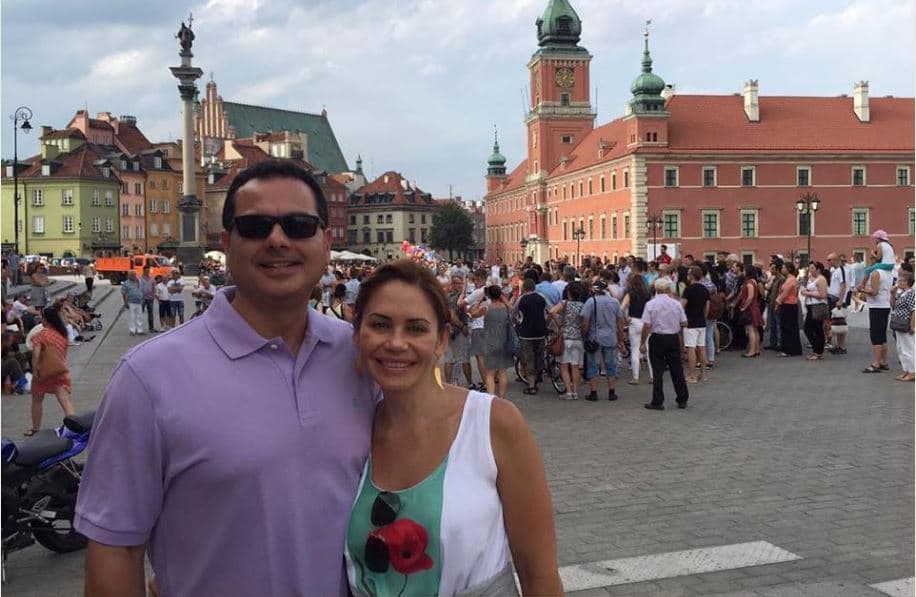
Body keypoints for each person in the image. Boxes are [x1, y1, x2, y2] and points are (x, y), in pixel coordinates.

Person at [76, 160, 380, 597]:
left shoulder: (359, 357)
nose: (278, 240)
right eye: (256, 227)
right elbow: (115, 550)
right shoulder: (147, 378)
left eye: (298, 225)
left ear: (325, 241)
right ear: (226, 242)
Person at [345, 260, 561, 595]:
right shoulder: (351, 434)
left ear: (441, 340)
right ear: (357, 334)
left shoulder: (493, 424)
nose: (396, 343)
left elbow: (540, 577)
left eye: (416, 328)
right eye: (380, 325)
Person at [640, 277, 689, 410]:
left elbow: (646, 325)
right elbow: (684, 322)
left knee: (657, 371)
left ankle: (657, 401)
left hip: (657, 337)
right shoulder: (676, 304)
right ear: (668, 289)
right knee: (677, 369)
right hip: (673, 337)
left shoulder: (650, 304)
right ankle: (682, 398)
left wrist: (642, 342)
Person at [26, 306, 76, 436]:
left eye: (42, 317)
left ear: (47, 320)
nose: (41, 319)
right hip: (60, 371)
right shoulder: (63, 334)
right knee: (64, 400)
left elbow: (36, 355)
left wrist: (35, 371)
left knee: (37, 400)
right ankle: (75, 426)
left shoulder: (40, 335)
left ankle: (36, 429)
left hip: (43, 373)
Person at [580, 279, 625, 402]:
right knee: (611, 365)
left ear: (594, 290)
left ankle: (593, 392)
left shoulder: (591, 302)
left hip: (595, 338)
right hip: (611, 337)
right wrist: (621, 339)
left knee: (593, 365)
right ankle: (611, 392)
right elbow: (620, 322)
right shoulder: (615, 302)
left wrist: (584, 335)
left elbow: (585, 322)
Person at [474, 285, 515, 400]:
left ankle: (491, 397)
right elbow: (512, 308)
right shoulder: (505, 308)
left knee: (490, 373)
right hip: (504, 341)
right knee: (502, 372)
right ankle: (502, 397)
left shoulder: (486, 307)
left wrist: (479, 301)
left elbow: (472, 313)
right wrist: (504, 299)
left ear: (489, 295)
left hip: (489, 342)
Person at [551, 281, 586, 400]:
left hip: (565, 337)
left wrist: (559, 323)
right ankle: (576, 392)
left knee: (564, 366)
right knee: (575, 366)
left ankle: (569, 392)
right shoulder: (582, 305)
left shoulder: (565, 303)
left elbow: (552, 311)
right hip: (578, 338)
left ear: (569, 293)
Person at [859, 250, 893, 373]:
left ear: (876, 260)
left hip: (877, 306)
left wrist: (862, 289)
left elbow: (874, 292)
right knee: (882, 335)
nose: (870, 260)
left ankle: (876, 363)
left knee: (876, 336)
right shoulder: (888, 272)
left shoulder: (875, 273)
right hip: (885, 305)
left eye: (871, 258)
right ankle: (884, 361)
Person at [514, 278, 548, 395]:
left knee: (528, 359)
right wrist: (545, 324)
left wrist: (517, 323)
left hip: (526, 334)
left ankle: (531, 385)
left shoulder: (521, 299)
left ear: (524, 288)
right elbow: (549, 310)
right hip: (540, 332)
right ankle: (539, 375)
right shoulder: (541, 298)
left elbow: (515, 313)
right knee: (539, 356)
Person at [620, 272, 653, 385]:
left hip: (634, 321)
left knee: (634, 349)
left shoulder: (630, 293)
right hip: (646, 322)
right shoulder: (648, 294)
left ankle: (635, 377)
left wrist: (626, 317)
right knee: (649, 349)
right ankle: (653, 376)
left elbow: (622, 308)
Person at [442, 274, 473, 389]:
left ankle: (448, 384)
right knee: (464, 358)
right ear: (453, 284)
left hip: (448, 329)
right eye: (458, 283)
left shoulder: (446, 296)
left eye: (461, 283)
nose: (460, 286)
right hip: (457, 330)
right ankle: (470, 383)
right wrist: (462, 326)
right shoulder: (456, 297)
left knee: (449, 358)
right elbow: (452, 314)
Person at [681, 266, 710, 383]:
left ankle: (692, 375)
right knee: (702, 348)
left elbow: (681, 306)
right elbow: (707, 307)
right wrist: (703, 317)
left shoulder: (688, 290)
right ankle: (703, 374)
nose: (687, 276)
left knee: (691, 348)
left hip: (690, 322)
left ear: (692, 275)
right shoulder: (704, 289)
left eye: (688, 274)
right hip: (701, 322)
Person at [889, 270, 915, 381]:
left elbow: (914, 310)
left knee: (909, 348)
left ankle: (912, 371)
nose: (898, 282)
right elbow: (893, 306)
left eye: (901, 280)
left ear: (907, 282)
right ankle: (906, 370)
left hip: (905, 324)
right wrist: (892, 294)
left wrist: (912, 325)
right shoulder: (901, 293)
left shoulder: (911, 293)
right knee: (901, 348)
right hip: (899, 324)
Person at [802, 262, 829, 361]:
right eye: (809, 268)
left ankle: (818, 351)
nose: (810, 270)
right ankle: (816, 350)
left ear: (818, 269)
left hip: (818, 306)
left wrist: (808, 293)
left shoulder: (821, 279)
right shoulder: (810, 278)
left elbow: (823, 295)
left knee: (815, 329)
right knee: (810, 328)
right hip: (811, 306)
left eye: (812, 268)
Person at [776, 263, 802, 357]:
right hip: (789, 305)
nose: (782, 269)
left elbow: (784, 293)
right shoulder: (790, 279)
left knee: (788, 328)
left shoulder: (791, 280)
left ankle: (788, 349)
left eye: (783, 267)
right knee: (789, 327)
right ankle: (791, 349)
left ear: (789, 269)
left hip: (788, 305)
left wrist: (777, 302)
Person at [738, 265, 763, 358]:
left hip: (750, 308)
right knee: (755, 330)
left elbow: (750, 297)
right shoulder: (754, 281)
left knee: (751, 329)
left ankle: (752, 351)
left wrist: (744, 307)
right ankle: (756, 350)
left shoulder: (749, 283)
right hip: (754, 307)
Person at [121, 270, 145, 336]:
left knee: (139, 316)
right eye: (131, 275)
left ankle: (140, 330)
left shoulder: (139, 281)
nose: (133, 276)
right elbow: (124, 293)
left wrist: (143, 299)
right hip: (130, 302)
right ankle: (132, 330)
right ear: (128, 276)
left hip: (139, 301)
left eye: (134, 275)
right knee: (131, 317)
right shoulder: (126, 283)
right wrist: (125, 302)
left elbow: (142, 290)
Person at [139, 266, 158, 333]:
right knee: (140, 313)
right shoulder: (140, 279)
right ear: (143, 271)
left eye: (148, 271)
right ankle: (139, 328)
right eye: (146, 271)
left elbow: (154, 287)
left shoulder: (152, 278)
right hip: (142, 298)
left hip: (150, 298)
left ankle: (151, 328)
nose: (147, 272)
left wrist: (153, 295)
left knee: (150, 313)